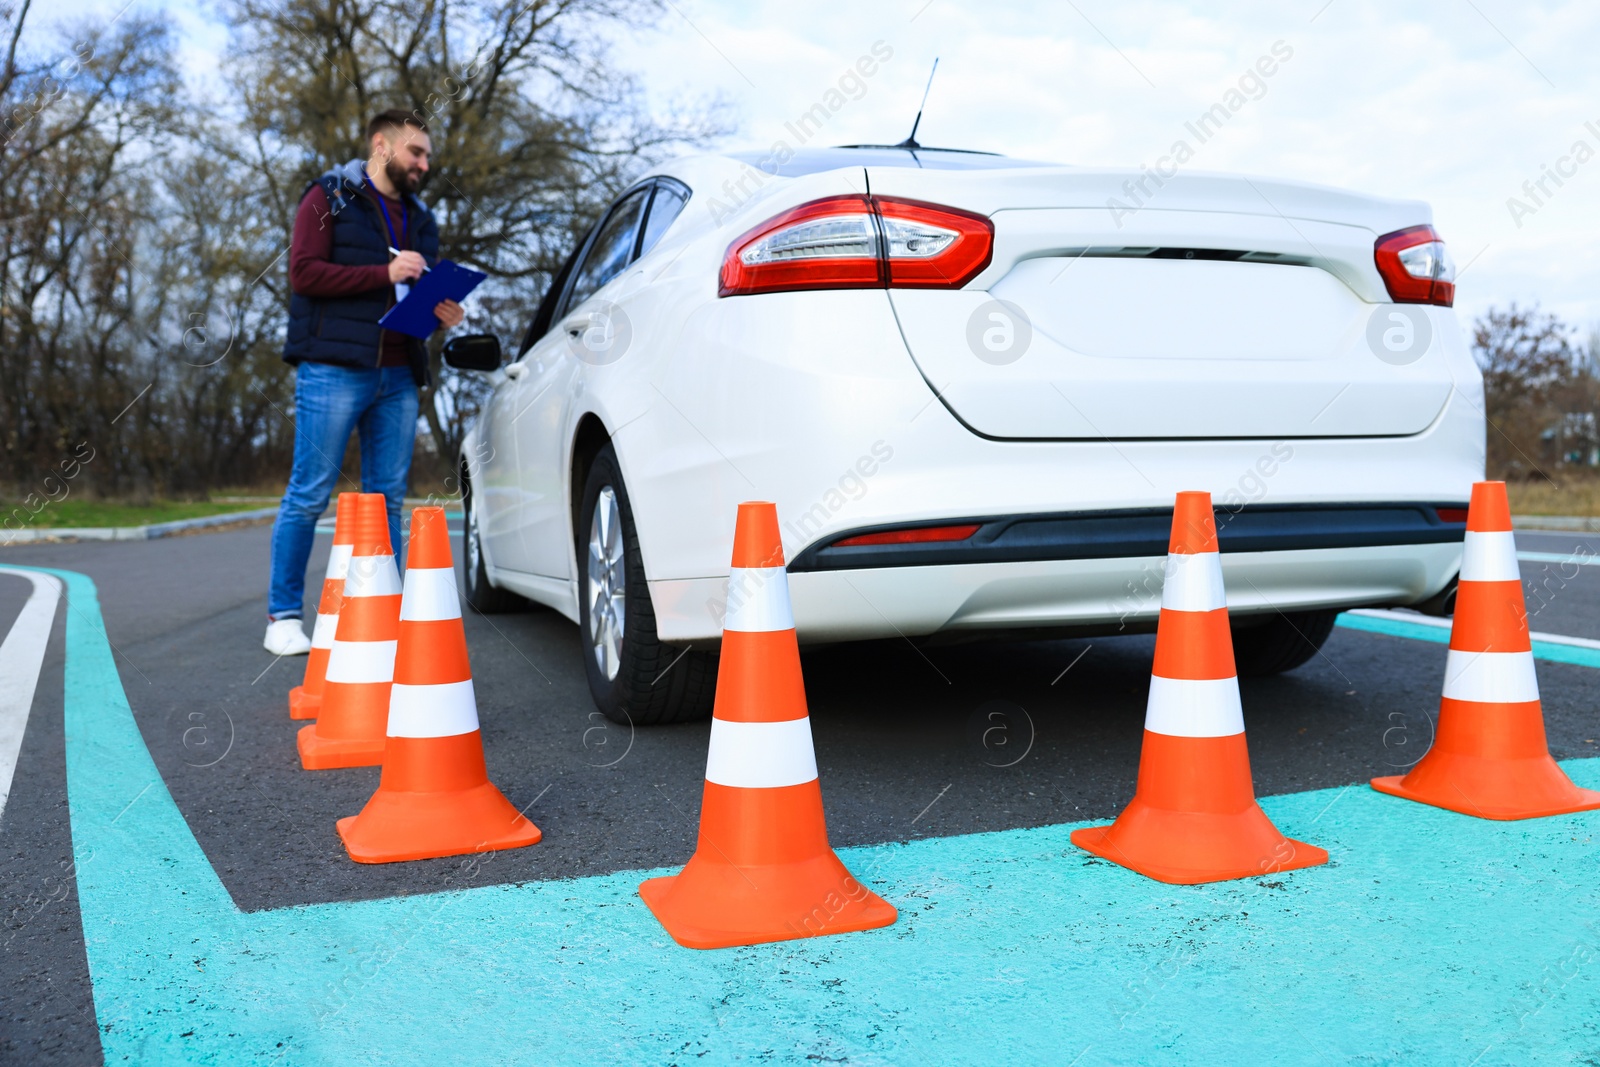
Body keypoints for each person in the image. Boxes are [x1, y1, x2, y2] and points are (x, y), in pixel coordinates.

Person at [264, 109, 465, 655]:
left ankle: (382, 617)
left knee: (387, 500)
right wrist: (385, 273)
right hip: (332, 370)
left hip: (400, 374)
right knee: (308, 495)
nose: (425, 164)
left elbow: (416, 293)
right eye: (415, 153)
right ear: (381, 146)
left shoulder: (422, 218)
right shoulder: (326, 197)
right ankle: (282, 616)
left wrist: (443, 310)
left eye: (427, 155)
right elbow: (303, 273)